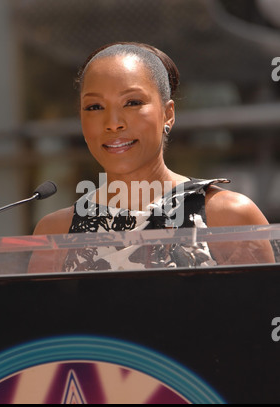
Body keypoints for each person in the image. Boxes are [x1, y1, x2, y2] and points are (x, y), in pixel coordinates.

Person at [30, 41, 275, 271]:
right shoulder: (55, 231)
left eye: (132, 102)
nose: (113, 123)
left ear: (168, 114)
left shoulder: (228, 216)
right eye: (95, 107)